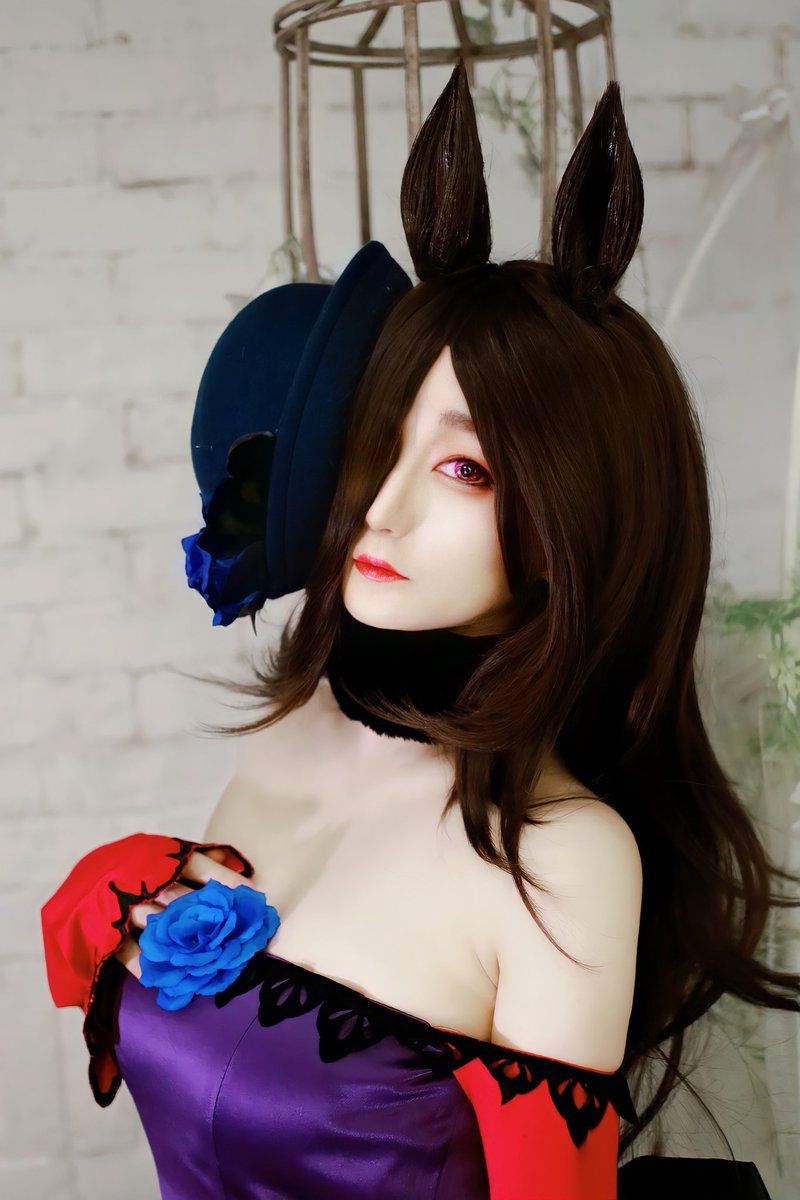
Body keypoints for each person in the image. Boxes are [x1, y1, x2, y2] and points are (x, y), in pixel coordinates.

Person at [40, 62, 794, 1199]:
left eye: (463, 468)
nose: (379, 509)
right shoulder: (300, 726)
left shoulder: (566, 863)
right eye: (376, 441)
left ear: (574, 522)